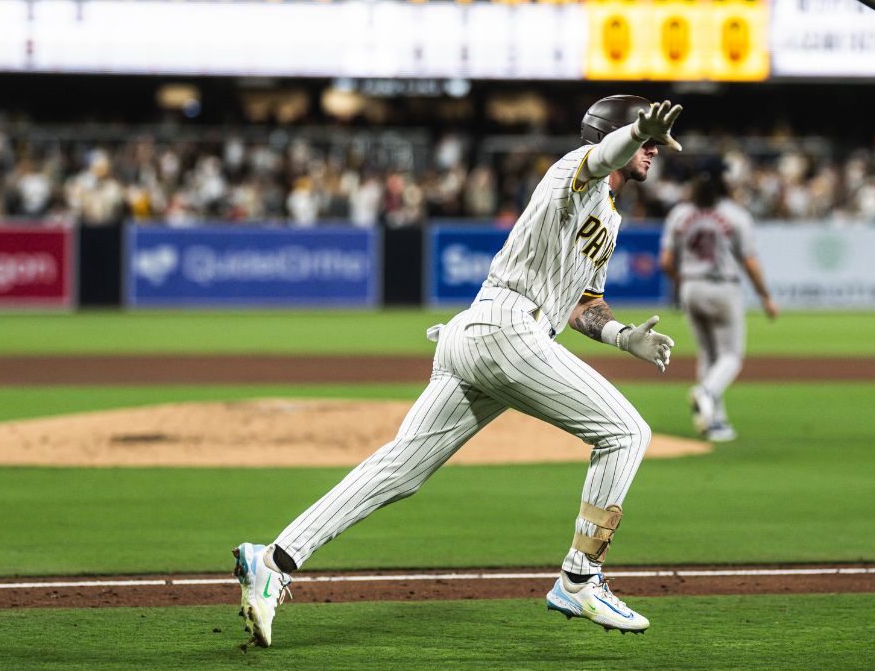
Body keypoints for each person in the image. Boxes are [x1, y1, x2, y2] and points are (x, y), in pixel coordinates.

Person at [232, 95, 683, 647]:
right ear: (616, 135)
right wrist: (635, 132)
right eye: (645, 140)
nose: (654, 148)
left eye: (653, 140)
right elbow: (599, 158)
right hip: (507, 329)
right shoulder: (576, 170)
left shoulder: (608, 215)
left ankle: (272, 560)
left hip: (481, 335)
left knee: (400, 471)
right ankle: (580, 577)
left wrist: (621, 336)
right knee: (626, 431)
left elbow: (583, 301)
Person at [659, 157, 778, 442]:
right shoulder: (734, 214)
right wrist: (765, 296)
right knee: (731, 357)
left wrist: (683, 283)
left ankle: (715, 421)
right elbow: (749, 262)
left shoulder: (680, 214)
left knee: (708, 356)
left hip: (690, 287)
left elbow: (665, 261)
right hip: (722, 288)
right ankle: (706, 393)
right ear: (722, 179)